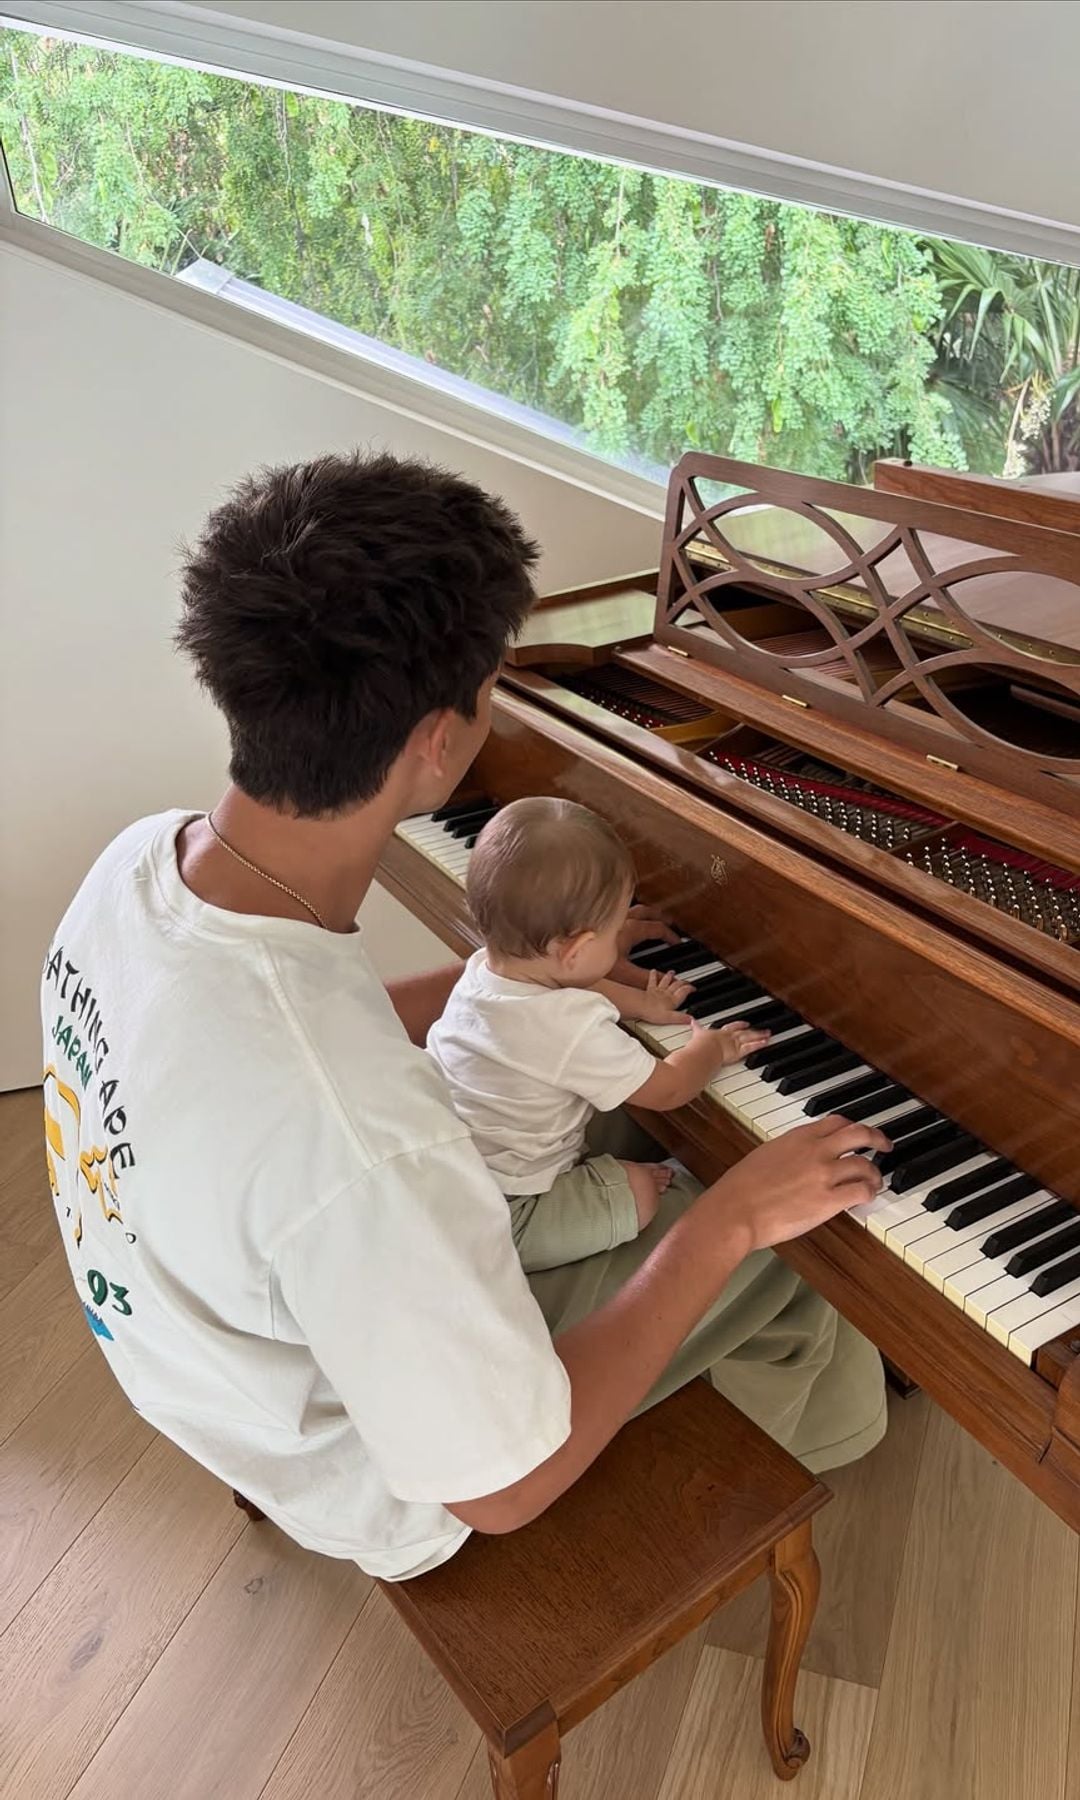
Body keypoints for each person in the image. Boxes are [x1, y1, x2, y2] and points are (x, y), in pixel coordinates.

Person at [40, 450, 888, 1583]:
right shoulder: (351, 1140)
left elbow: (301, 1034)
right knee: (801, 1241)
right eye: (493, 688)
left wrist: (531, 972)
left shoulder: (142, 861)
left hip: (198, 1343)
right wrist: (728, 1221)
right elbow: (502, 1492)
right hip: (382, 1477)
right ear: (438, 738)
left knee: (637, 1135)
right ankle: (831, 1446)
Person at [428, 795, 774, 1272]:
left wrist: (643, 1002)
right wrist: (712, 1048)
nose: (621, 941)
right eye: (615, 934)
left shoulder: (486, 973)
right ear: (576, 949)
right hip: (510, 1219)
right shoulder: (568, 1029)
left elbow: (574, 983)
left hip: (451, 1179)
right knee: (639, 1192)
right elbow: (669, 1088)